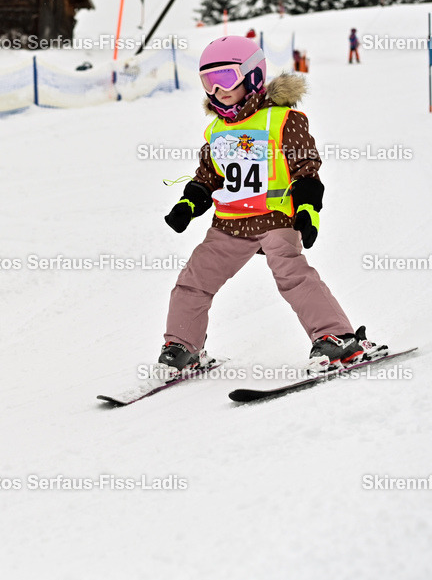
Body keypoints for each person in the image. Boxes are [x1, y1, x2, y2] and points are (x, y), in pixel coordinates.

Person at [159, 35, 375, 374]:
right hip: (230, 224)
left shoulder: (282, 120)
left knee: (293, 276)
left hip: (275, 218)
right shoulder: (216, 130)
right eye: (208, 82)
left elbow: (306, 167)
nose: (218, 91)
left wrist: (307, 209)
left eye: (226, 79)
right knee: (194, 280)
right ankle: (181, 347)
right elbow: (209, 176)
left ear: (253, 76)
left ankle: (336, 339)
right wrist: (189, 204)